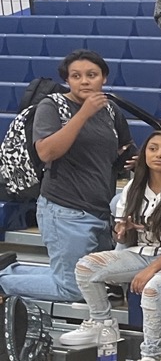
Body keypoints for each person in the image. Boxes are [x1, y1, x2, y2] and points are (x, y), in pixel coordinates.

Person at [57, 130, 161, 361]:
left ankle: (151, 359)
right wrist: (124, 230)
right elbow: (127, 237)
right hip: (142, 252)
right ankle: (102, 323)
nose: (159, 154)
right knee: (86, 267)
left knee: (151, 290)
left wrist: (151, 270)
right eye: (153, 148)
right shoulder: (133, 187)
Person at [0, 50, 134, 302]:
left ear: (103, 78)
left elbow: (123, 151)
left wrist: (137, 160)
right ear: (67, 80)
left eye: (91, 75)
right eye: (76, 76)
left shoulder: (111, 110)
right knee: (73, 288)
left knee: (88, 279)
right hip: (65, 211)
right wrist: (83, 114)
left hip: (100, 209)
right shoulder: (51, 106)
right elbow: (48, 152)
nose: (84, 81)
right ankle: (4, 283)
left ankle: (12, 270)